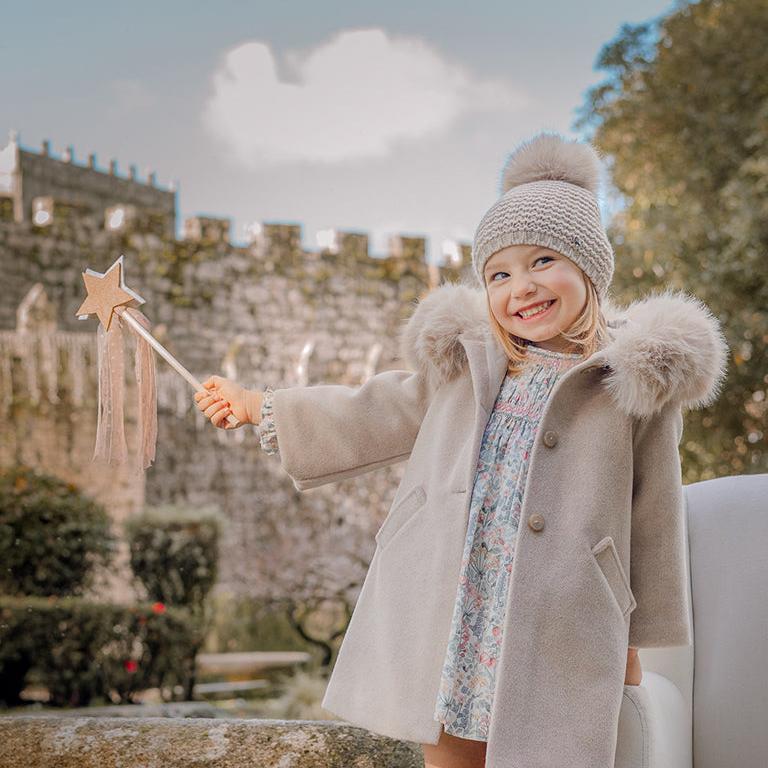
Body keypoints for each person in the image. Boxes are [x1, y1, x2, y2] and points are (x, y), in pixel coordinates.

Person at [194, 132, 728, 768]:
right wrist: (261, 404)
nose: (520, 287)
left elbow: (655, 515)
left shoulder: (630, 382)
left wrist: (638, 638)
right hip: (458, 609)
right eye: (499, 274)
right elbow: (375, 409)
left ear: (589, 267)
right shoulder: (470, 366)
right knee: (448, 752)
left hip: (561, 618)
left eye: (542, 262)